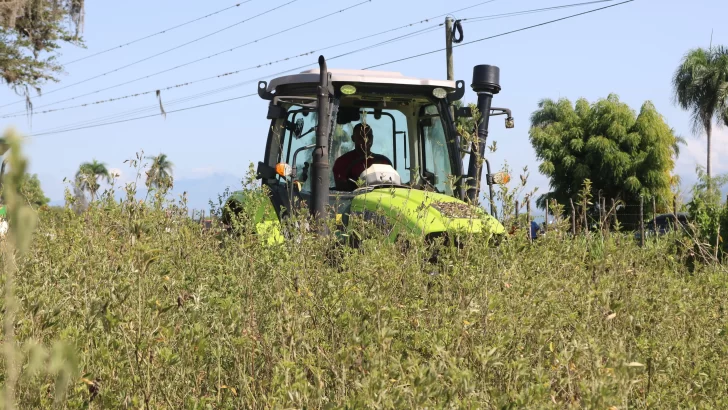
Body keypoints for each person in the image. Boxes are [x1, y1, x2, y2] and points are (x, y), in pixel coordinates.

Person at [333, 123, 392, 191]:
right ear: (353, 138)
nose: (366, 140)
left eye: (369, 136)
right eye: (361, 136)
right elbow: (341, 190)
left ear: (372, 138)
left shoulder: (383, 162)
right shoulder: (342, 162)